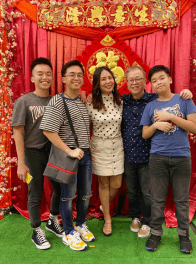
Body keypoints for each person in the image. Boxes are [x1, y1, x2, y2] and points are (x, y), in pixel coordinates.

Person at [122, 66, 193, 238]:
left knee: (150, 192)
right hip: (128, 153)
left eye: (138, 78)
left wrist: (186, 92)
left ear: (145, 80)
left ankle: (150, 222)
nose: (135, 82)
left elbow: (171, 99)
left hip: (151, 154)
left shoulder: (155, 98)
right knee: (132, 190)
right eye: (131, 79)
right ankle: (136, 218)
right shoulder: (122, 100)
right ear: (126, 82)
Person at [141, 65, 196, 253]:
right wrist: (156, 124)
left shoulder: (183, 99)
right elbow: (144, 134)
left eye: (161, 78)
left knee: (182, 200)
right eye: (154, 80)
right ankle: (156, 233)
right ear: (151, 85)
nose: (158, 82)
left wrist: (171, 117)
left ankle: (184, 235)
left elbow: (194, 127)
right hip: (157, 158)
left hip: (181, 157)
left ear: (170, 79)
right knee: (157, 199)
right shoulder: (150, 106)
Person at [40, 60, 94, 251]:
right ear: (63, 78)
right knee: (68, 196)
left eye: (80, 75)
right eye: (72, 74)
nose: (76, 78)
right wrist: (69, 150)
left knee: (85, 195)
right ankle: (68, 232)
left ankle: (80, 223)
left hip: (85, 155)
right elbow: (48, 130)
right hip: (69, 156)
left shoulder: (80, 100)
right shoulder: (57, 101)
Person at [12, 57, 64, 250]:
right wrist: (21, 162)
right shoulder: (23, 101)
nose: (45, 77)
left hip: (54, 152)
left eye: (48, 74)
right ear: (32, 78)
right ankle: (36, 229)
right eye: (40, 74)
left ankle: (52, 220)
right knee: (35, 192)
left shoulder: (57, 101)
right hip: (32, 154)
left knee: (59, 189)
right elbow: (17, 132)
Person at [86, 66, 124, 236]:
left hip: (118, 144)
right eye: (103, 79)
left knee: (116, 184)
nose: (108, 81)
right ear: (97, 83)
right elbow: (86, 127)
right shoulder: (90, 102)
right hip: (99, 146)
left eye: (110, 78)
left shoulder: (120, 100)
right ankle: (108, 219)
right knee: (104, 184)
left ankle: (104, 205)